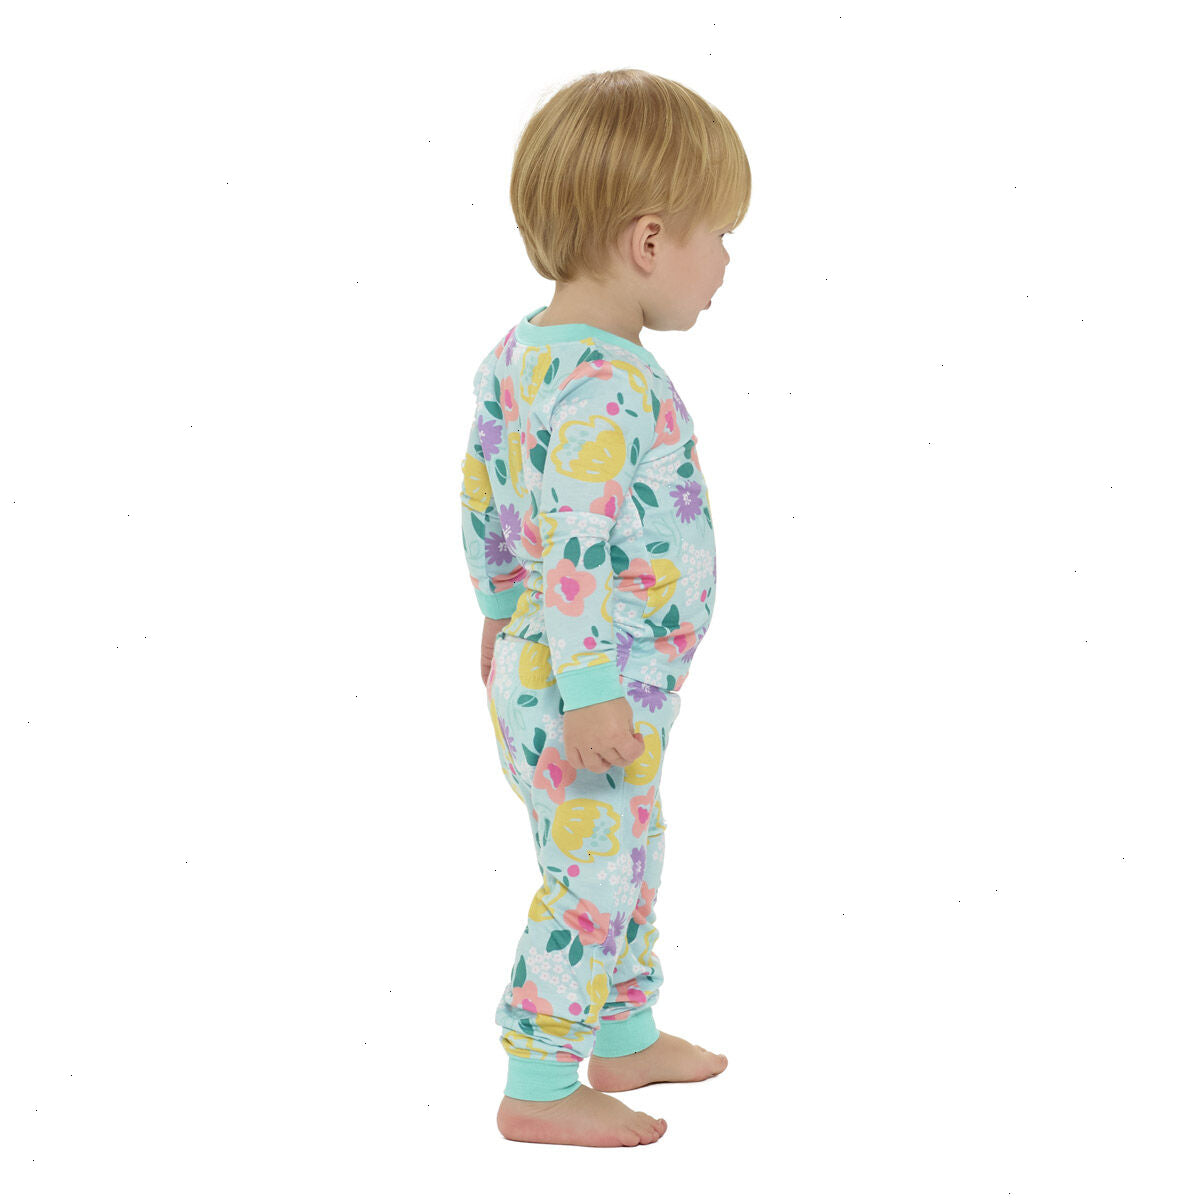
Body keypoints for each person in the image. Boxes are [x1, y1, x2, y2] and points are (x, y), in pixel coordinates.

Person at [459, 68, 750, 1148]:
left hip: (568, 670)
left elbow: (483, 486)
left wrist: (498, 606)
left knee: (628, 848)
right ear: (649, 241)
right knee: (589, 873)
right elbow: (577, 546)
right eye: (720, 237)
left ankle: (623, 1032)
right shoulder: (607, 385)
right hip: (589, 682)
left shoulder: (523, 354)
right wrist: (585, 689)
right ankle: (538, 1084)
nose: (726, 264)